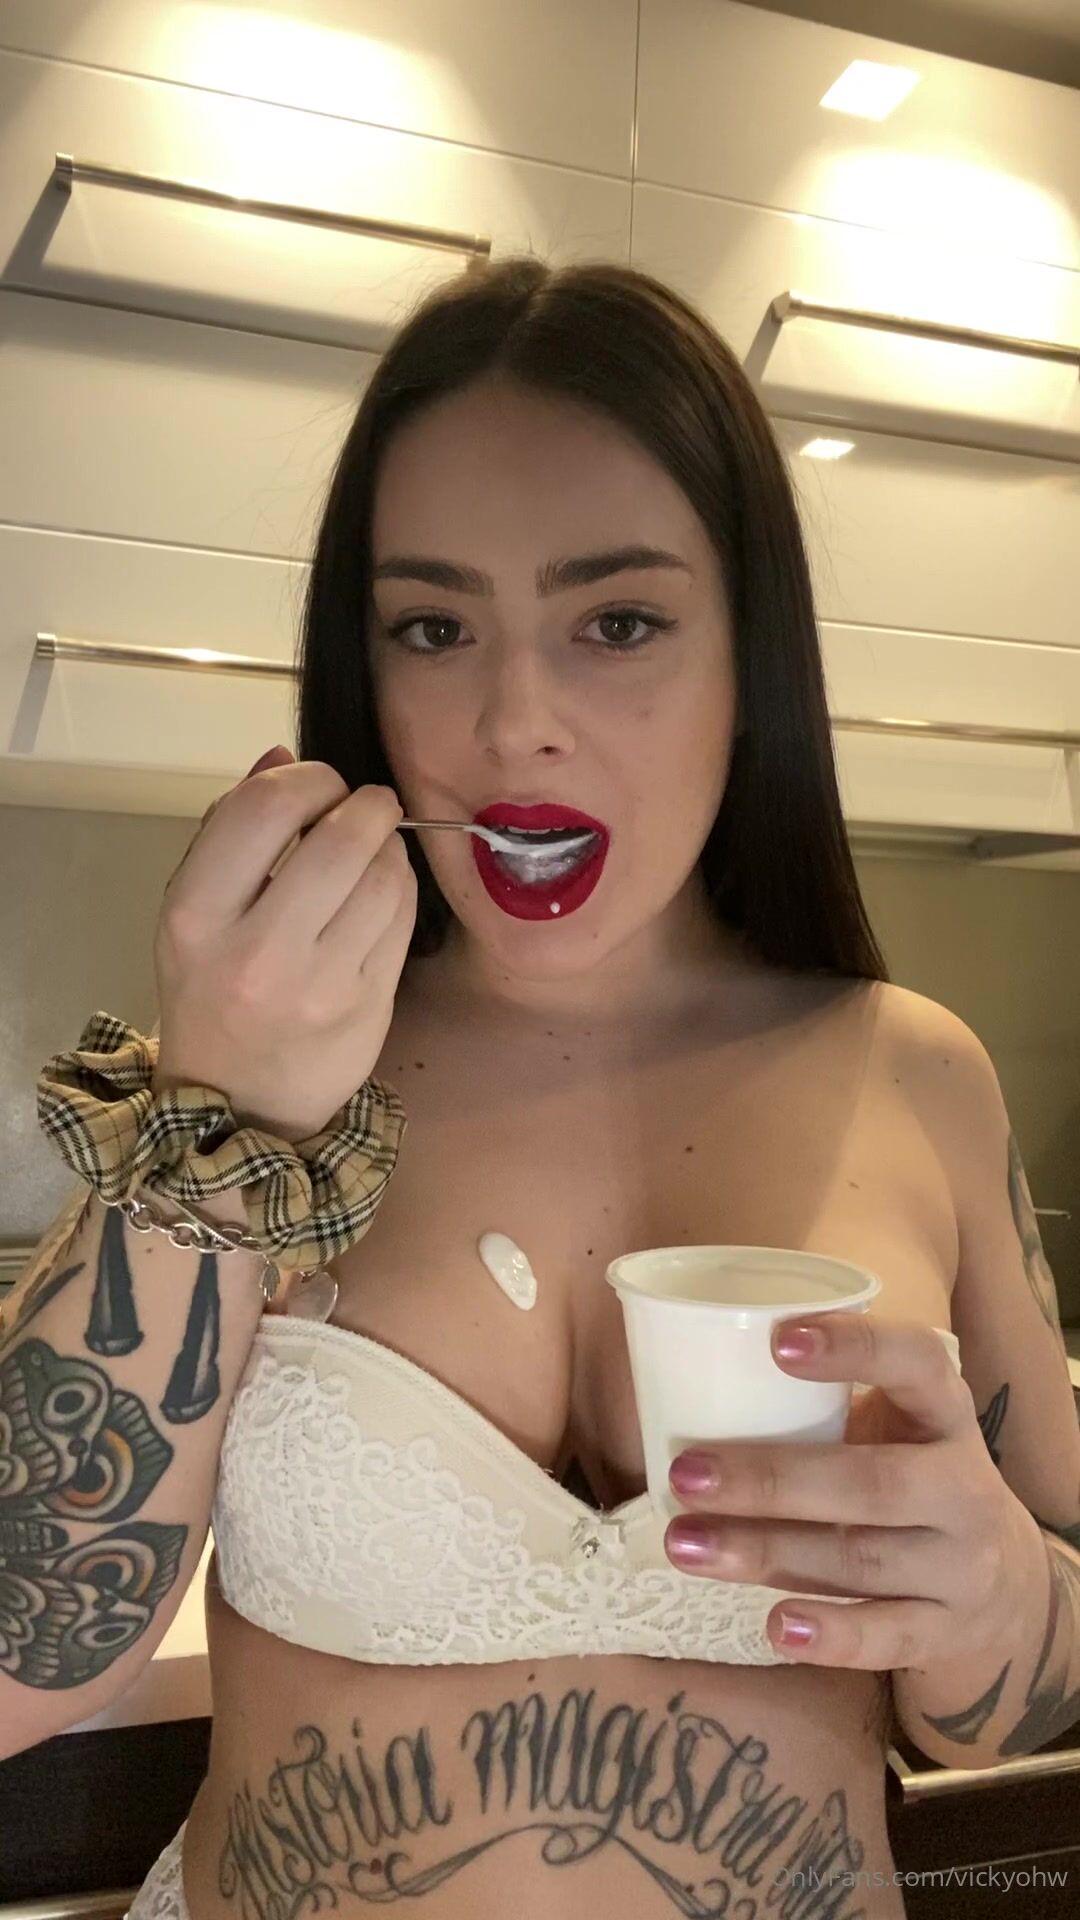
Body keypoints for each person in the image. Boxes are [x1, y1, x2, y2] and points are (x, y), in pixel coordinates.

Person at [3, 256, 1079, 1920]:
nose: (515, 725)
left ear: (751, 656)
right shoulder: (261, 1077)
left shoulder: (921, 1077)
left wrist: (998, 1600)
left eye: (618, 623)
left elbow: (1027, 1702)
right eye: (434, 628)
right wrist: (217, 1115)